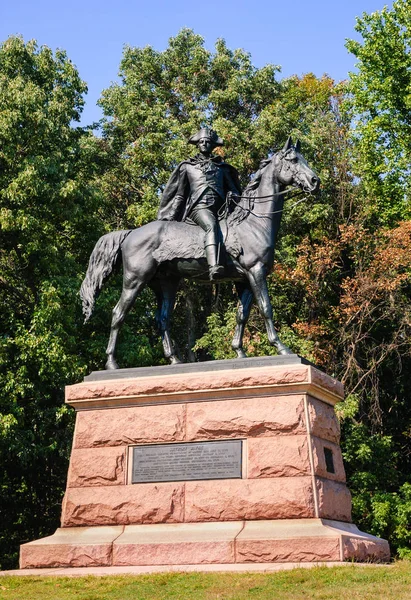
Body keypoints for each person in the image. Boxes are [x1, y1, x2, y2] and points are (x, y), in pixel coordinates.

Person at [157, 127, 241, 280]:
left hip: (222, 210)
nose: (204, 143)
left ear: (213, 145)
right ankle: (213, 266)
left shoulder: (222, 168)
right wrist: (171, 217)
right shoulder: (187, 167)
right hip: (199, 208)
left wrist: (233, 197)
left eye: (207, 142)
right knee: (211, 225)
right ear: (197, 144)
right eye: (201, 141)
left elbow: (235, 191)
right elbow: (180, 195)